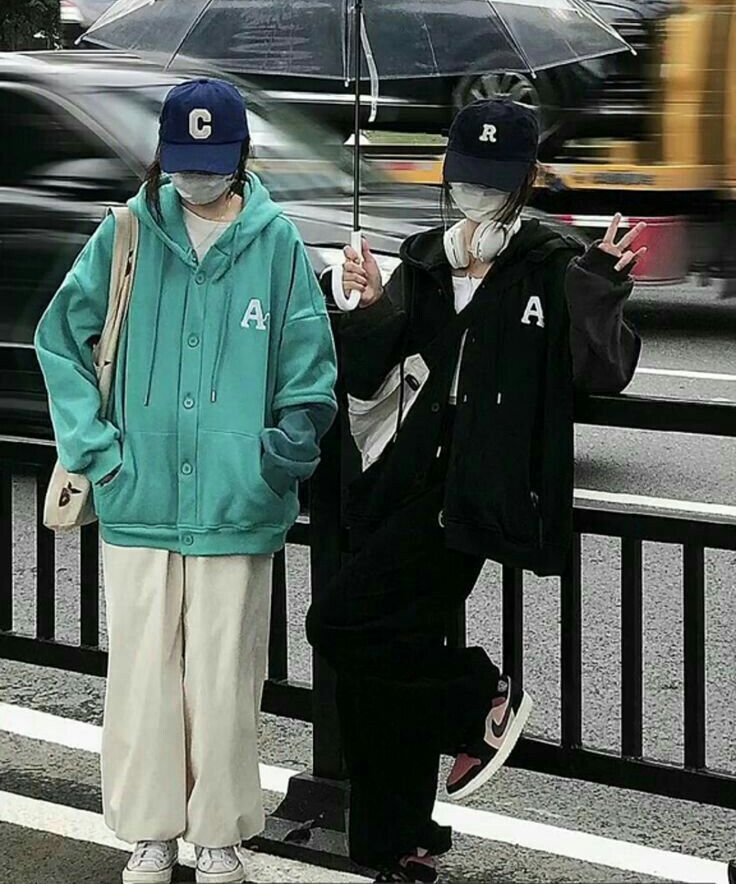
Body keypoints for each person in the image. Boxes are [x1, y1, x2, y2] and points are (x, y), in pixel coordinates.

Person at [307, 98, 643, 883]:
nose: (476, 191)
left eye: (494, 179)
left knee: (338, 625)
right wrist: (366, 306)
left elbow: (605, 372)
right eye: (466, 175)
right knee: (383, 659)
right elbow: (369, 372)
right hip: (397, 482)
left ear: (527, 180)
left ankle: (477, 701)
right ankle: (398, 842)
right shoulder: (423, 257)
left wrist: (599, 288)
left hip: (475, 498)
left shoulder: (553, 263)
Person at [35, 78, 337, 884]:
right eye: (183, 160)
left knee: (225, 674)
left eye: (211, 160)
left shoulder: (277, 246)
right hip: (140, 496)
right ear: (163, 156)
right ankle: (151, 832)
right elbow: (60, 340)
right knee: (142, 674)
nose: (196, 175)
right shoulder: (127, 234)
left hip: (239, 502)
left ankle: (220, 834)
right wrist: (99, 450)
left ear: (241, 156)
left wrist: (277, 453)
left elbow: (311, 374)